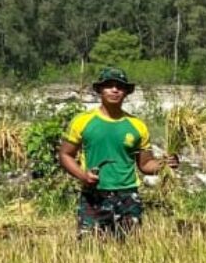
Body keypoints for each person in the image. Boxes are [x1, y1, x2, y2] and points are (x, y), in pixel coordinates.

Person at [58, 67, 176, 239]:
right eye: (109, 86)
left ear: (126, 92)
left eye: (119, 86)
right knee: (89, 247)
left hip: (128, 196)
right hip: (95, 194)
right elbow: (65, 155)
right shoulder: (82, 121)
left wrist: (166, 164)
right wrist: (83, 176)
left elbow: (145, 165)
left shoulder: (137, 126)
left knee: (129, 249)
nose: (114, 90)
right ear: (99, 90)